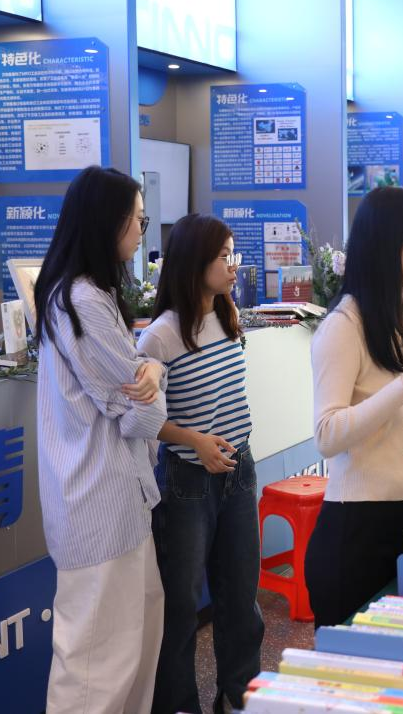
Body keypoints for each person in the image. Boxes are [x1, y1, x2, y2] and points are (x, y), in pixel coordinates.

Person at [35, 166, 167, 713]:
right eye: (136, 219)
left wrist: (151, 371)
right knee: (96, 672)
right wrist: (153, 375)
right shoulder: (82, 300)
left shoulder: (87, 294)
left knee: (128, 652)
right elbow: (139, 412)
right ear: (105, 221)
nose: (140, 230)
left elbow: (137, 389)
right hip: (99, 507)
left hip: (117, 504)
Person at [304, 187, 403, 628]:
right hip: (354, 529)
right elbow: (326, 435)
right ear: (389, 242)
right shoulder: (343, 325)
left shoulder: (402, 320)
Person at [137, 214, 263, 714]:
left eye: (234, 255)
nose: (233, 266)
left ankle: (238, 696)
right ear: (194, 262)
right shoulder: (160, 336)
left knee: (241, 599)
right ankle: (178, 704)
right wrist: (195, 441)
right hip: (188, 481)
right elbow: (145, 420)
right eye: (223, 257)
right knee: (182, 606)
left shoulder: (227, 314)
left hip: (239, 470)